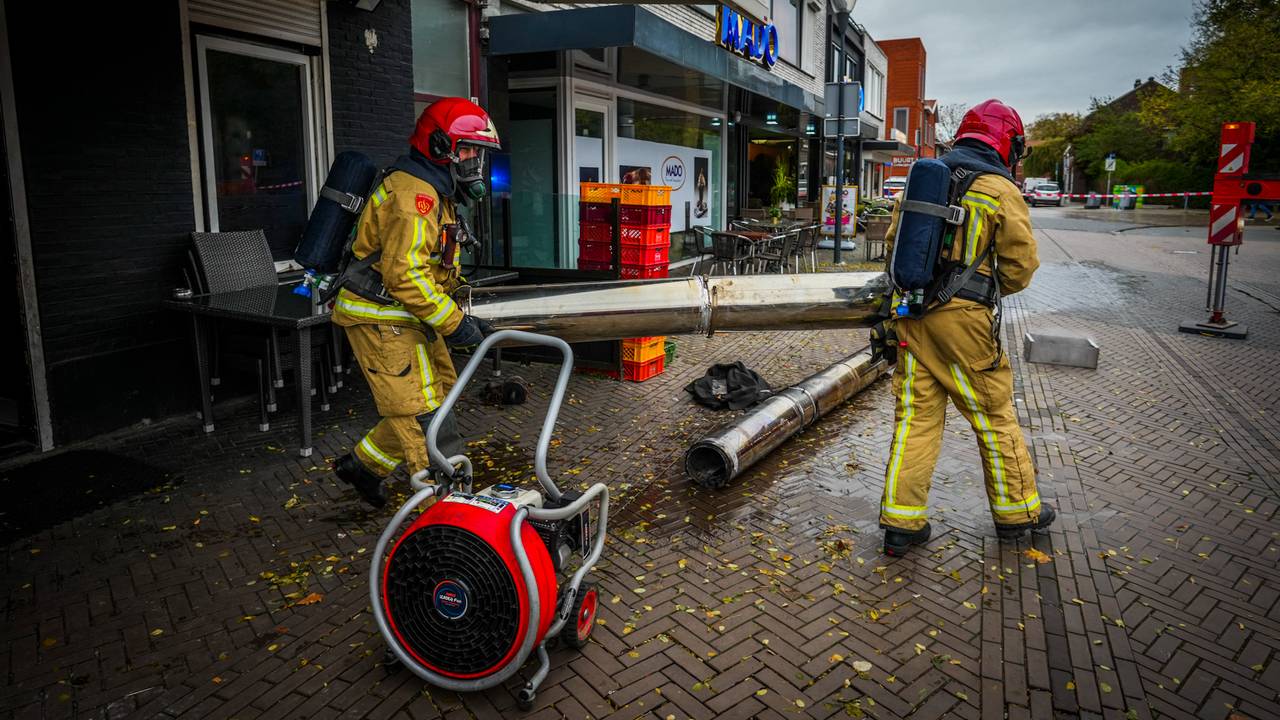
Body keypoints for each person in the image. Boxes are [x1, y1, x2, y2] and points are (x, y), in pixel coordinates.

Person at [878, 99, 1055, 556]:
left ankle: (902, 524)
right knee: (994, 416)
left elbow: (893, 245)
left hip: (912, 315)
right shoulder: (999, 189)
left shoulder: (925, 177)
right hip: (965, 324)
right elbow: (1020, 268)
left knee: (915, 416)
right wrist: (981, 287)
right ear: (1007, 144)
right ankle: (1019, 514)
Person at [331, 97, 500, 508]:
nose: (473, 162)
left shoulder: (433, 192)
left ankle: (363, 467)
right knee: (424, 416)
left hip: (409, 316)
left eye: (478, 154)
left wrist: (467, 316)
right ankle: (448, 516)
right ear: (439, 147)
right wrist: (455, 324)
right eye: (467, 150)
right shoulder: (414, 199)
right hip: (382, 317)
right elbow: (405, 275)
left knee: (436, 396)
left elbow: (432, 267)